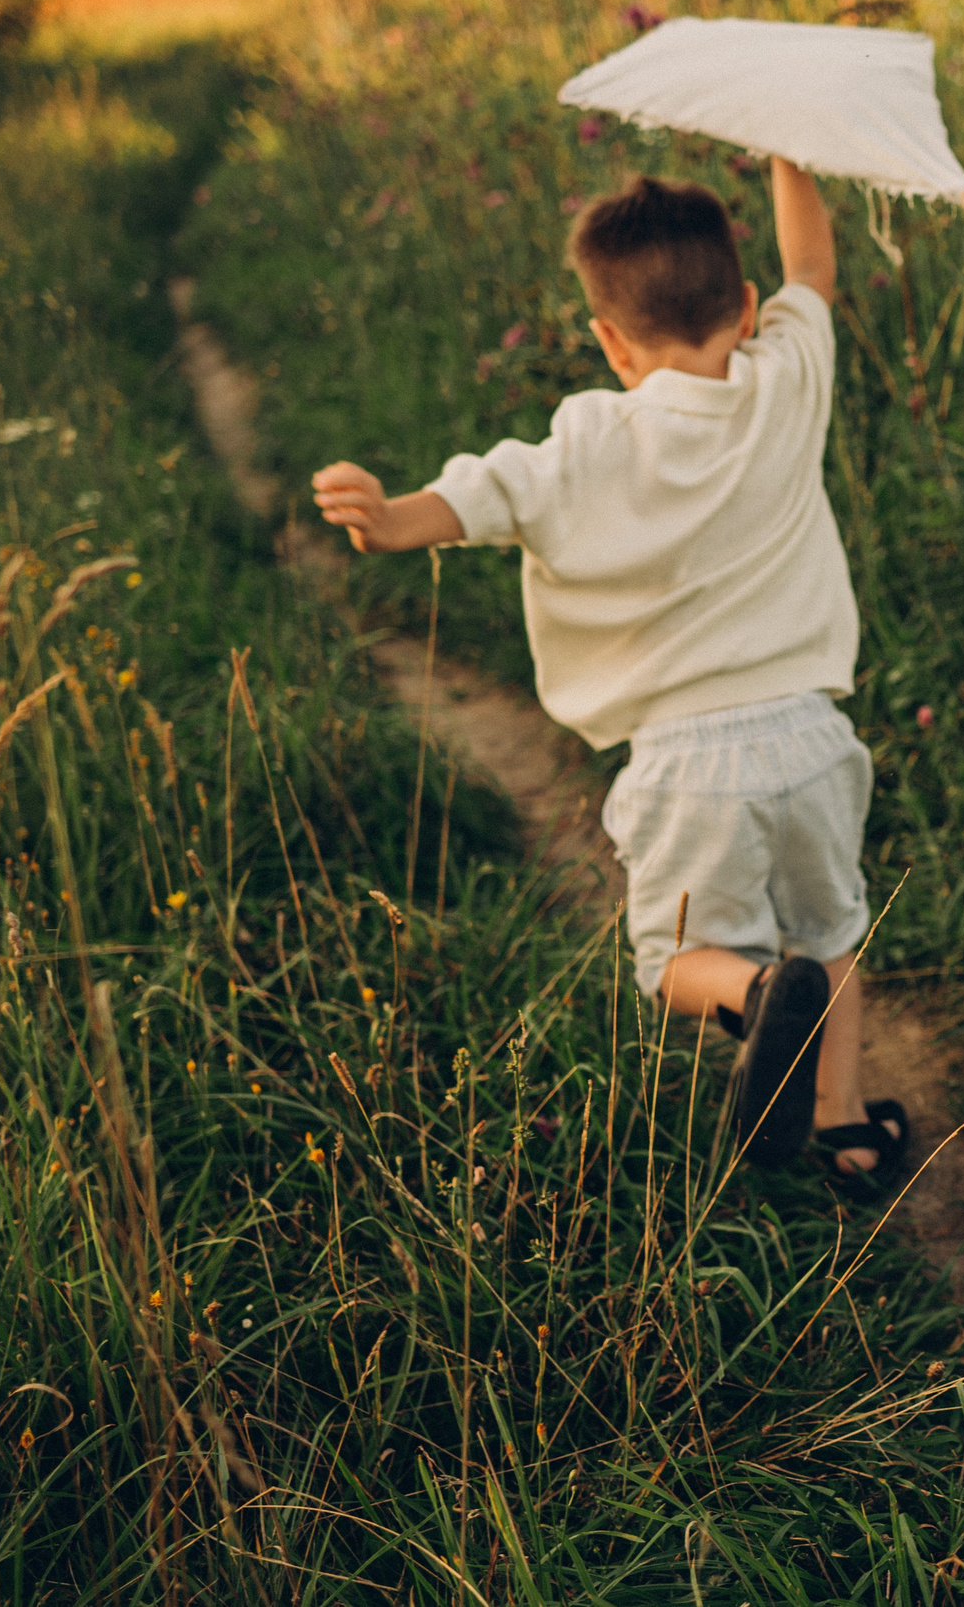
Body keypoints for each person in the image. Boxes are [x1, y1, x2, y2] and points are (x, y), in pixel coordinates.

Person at [309, 161, 903, 1181]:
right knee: (832, 926)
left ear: (611, 345)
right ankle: (846, 1130)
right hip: (813, 736)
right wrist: (786, 153)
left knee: (674, 961)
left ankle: (753, 998)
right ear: (749, 308)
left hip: (687, 764)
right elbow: (814, 265)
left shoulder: (584, 438)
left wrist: (384, 520)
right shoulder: (786, 382)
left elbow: (477, 497)